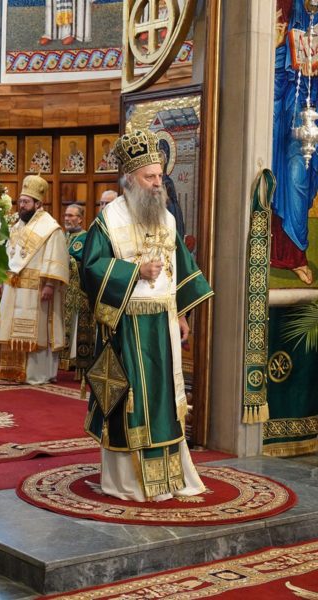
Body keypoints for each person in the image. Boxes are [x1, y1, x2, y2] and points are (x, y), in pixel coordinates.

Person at [81, 130, 214, 502]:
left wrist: (182, 315)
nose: (158, 183)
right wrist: (134, 272)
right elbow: (90, 269)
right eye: (149, 177)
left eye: (159, 176)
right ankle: (130, 482)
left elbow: (179, 266)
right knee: (132, 402)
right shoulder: (109, 219)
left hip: (164, 324)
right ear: (129, 178)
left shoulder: (167, 218)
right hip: (127, 325)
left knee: (165, 401)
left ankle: (169, 477)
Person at [0, 175, 69, 384]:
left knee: (37, 331)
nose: (21, 205)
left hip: (37, 289)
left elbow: (55, 257)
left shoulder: (50, 228)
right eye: (20, 201)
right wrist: (1, 280)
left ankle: (37, 373)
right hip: (13, 287)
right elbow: (7, 256)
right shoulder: (15, 227)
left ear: (38, 204)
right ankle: (12, 372)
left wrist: (50, 285)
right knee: (9, 326)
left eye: (26, 202)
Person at [271, 0, 318, 285]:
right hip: (287, 112)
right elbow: (272, 78)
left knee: (300, 179)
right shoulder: (285, 7)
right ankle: (288, 254)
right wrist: (279, 46)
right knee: (289, 175)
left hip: (310, 108)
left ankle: (296, 253)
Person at [60, 204, 93, 380]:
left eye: (71, 216)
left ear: (80, 219)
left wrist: (68, 260)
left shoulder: (86, 237)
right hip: (62, 289)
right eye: (66, 215)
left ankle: (71, 358)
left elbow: (84, 262)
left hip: (77, 290)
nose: (67, 218)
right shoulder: (62, 236)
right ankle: (60, 357)